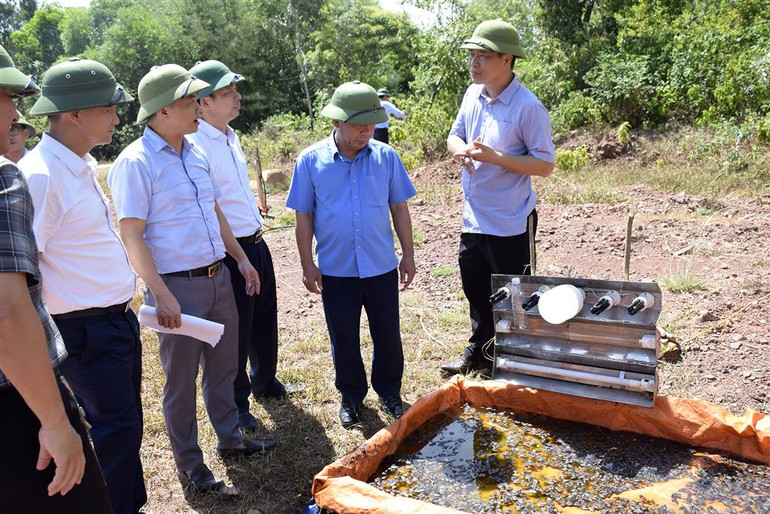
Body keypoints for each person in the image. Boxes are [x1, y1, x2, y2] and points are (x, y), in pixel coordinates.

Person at [108, 64, 275, 495]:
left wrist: (240, 259)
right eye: (188, 102)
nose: (197, 108)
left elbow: (215, 212)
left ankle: (231, 439)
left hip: (218, 276)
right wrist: (160, 293)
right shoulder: (135, 162)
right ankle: (190, 464)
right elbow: (131, 235)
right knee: (180, 382)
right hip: (176, 287)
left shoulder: (195, 150)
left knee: (223, 368)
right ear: (162, 111)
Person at [18, 58, 146, 514]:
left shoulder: (76, 165)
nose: (117, 115)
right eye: (108, 107)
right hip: (83, 330)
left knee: (126, 428)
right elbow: (22, 269)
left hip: (113, 323)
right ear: (73, 114)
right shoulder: (43, 175)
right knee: (114, 433)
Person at [0, 43, 112, 513]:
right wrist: (53, 420)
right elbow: (8, 308)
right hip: (16, 397)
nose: (14, 110)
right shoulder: (9, 178)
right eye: (6, 95)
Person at [287, 81, 416, 428]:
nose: (366, 131)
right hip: (336, 268)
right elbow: (304, 217)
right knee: (342, 335)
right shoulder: (310, 162)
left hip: (380, 265)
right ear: (336, 122)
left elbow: (399, 208)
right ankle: (351, 396)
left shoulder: (386, 157)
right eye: (359, 124)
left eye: (371, 124)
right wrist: (307, 264)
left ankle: (389, 391)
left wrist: (408, 254)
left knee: (387, 332)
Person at [188, 60, 301, 433]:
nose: (237, 97)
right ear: (202, 102)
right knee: (234, 329)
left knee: (264, 318)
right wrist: (237, 256)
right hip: (228, 251)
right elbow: (211, 209)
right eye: (227, 93)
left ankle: (265, 381)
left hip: (255, 241)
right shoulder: (195, 146)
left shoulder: (230, 136)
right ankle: (237, 404)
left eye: (235, 89)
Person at [439, 20, 555, 377]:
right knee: (474, 288)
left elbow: (545, 164)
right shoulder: (472, 93)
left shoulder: (527, 107)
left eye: (483, 56)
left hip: (510, 219)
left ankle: (514, 357)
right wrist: (463, 152)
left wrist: (495, 158)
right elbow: (454, 135)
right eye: (472, 55)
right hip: (474, 215)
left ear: (507, 59)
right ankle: (480, 351)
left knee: (513, 294)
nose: (474, 63)